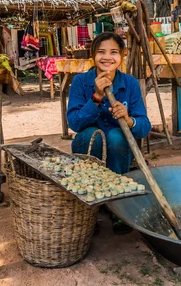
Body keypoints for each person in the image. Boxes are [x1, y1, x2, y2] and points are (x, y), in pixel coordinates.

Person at [67, 32, 151, 233]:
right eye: (101, 52)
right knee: (92, 135)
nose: (107, 57)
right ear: (92, 56)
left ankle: (117, 207)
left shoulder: (129, 83)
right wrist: (96, 97)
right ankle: (90, 206)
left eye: (114, 52)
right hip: (88, 146)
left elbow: (144, 126)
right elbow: (75, 123)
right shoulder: (80, 82)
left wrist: (130, 120)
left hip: (118, 152)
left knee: (115, 136)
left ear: (122, 55)